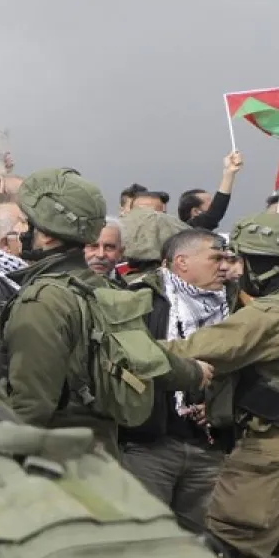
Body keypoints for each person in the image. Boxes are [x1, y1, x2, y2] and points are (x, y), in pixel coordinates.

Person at [0, 168, 205, 454]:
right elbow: (147, 356)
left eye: (26, 223)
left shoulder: (42, 300)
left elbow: (31, 406)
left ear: (45, 235)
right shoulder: (103, 290)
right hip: (99, 457)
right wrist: (194, 371)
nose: (21, 231)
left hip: (51, 462)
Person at [165, 212, 279, 558]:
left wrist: (122, 345)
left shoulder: (266, 315)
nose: (232, 269)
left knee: (225, 542)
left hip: (268, 451)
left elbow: (195, 349)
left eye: (239, 260)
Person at [118, 229, 233, 534]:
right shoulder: (139, 298)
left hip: (210, 448)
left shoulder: (235, 303)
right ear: (182, 262)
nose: (224, 266)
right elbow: (128, 361)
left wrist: (221, 406)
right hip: (150, 445)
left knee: (204, 542)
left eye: (226, 259)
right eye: (216, 258)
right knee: (143, 537)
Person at [179, 150, 245, 229]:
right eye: (212, 204)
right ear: (196, 212)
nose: (215, 205)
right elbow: (213, 215)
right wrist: (229, 173)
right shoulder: (187, 231)